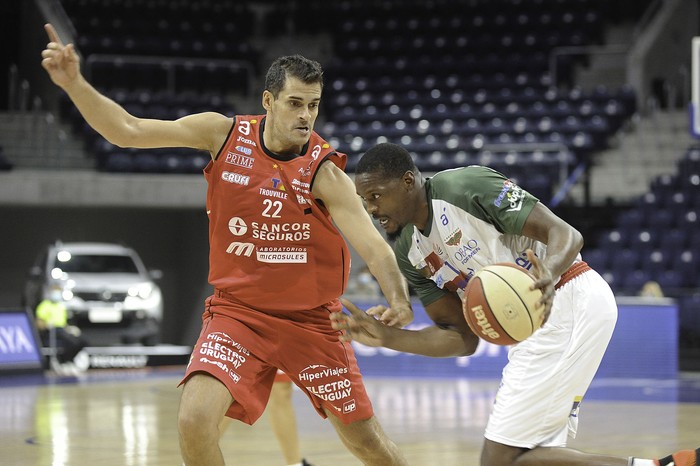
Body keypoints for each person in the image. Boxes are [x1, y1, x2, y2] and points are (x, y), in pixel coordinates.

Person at [41, 24, 413, 466]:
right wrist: (74, 84)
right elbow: (128, 130)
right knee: (193, 421)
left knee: (369, 446)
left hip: (312, 323)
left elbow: (375, 247)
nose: (305, 116)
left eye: (313, 106)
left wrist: (399, 298)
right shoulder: (221, 135)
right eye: (295, 103)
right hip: (238, 314)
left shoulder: (325, 173)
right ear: (268, 101)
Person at [331, 142, 699, 466]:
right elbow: (461, 338)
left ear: (408, 182)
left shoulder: (464, 186)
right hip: (539, 322)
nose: (371, 208)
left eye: (376, 195)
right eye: (364, 201)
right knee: (526, 458)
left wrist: (547, 273)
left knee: (500, 458)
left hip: (565, 295)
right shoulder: (409, 252)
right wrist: (385, 337)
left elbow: (565, 234)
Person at [34, 286, 87, 375]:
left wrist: (70, 329)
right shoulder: (44, 305)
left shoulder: (61, 306)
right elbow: (39, 323)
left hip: (62, 330)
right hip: (51, 331)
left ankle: (69, 360)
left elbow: (64, 323)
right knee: (71, 342)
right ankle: (64, 362)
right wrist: (47, 325)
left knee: (82, 341)